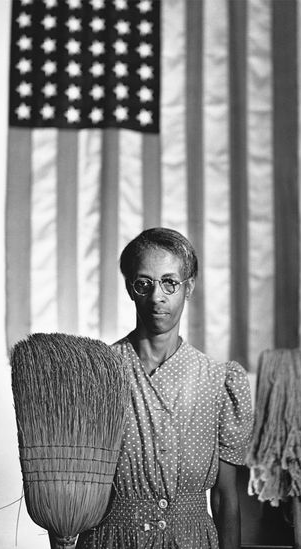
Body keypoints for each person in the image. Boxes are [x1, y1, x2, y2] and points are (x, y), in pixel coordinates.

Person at [77, 227, 254, 549]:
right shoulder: (99, 373)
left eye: (170, 283)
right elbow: (73, 484)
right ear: (131, 289)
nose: (157, 296)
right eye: (144, 283)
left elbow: (226, 498)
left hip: (192, 541)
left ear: (189, 288)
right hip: (114, 540)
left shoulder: (217, 381)